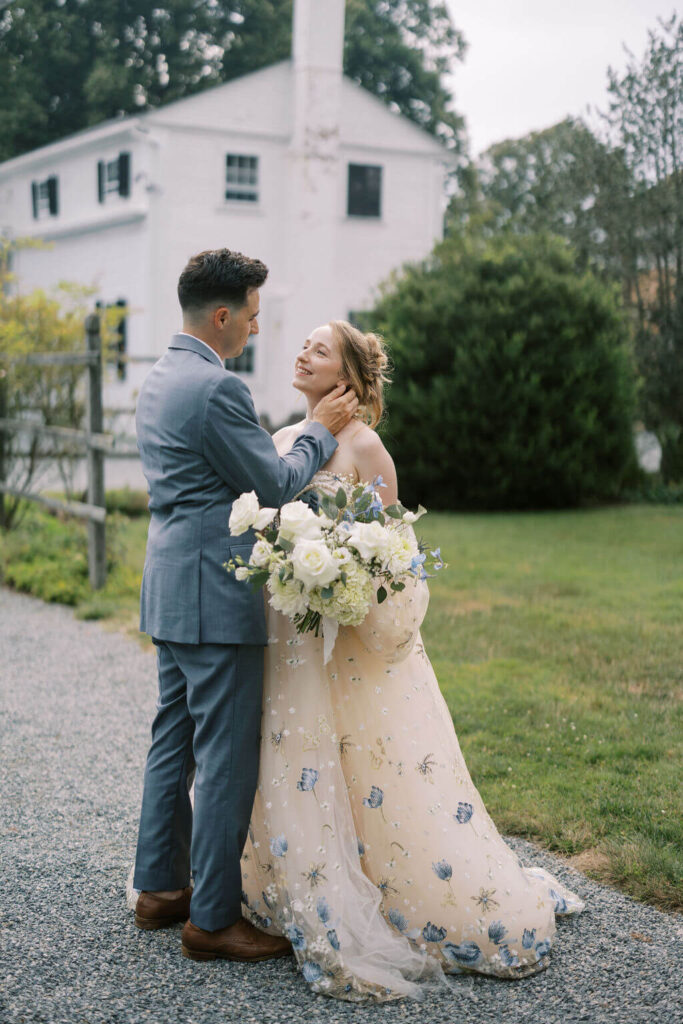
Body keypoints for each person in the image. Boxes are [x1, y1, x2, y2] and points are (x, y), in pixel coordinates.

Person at [238, 320, 585, 1001]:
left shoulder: (367, 449)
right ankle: (285, 881)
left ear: (347, 377)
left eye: (319, 346)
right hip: (287, 640)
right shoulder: (281, 439)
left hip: (345, 644)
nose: (303, 351)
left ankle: (383, 886)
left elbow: (391, 563)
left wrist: (339, 578)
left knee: (370, 765)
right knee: (293, 755)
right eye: (303, 342)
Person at [131, 250, 359, 964]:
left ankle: (159, 889)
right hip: (212, 594)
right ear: (223, 316)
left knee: (172, 740)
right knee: (225, 756)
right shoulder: (215, 388)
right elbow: (273, 484)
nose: (258, 330)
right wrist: (318, 427)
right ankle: (211, 920)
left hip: (169, 587)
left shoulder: (159, 377)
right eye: (254, 317)